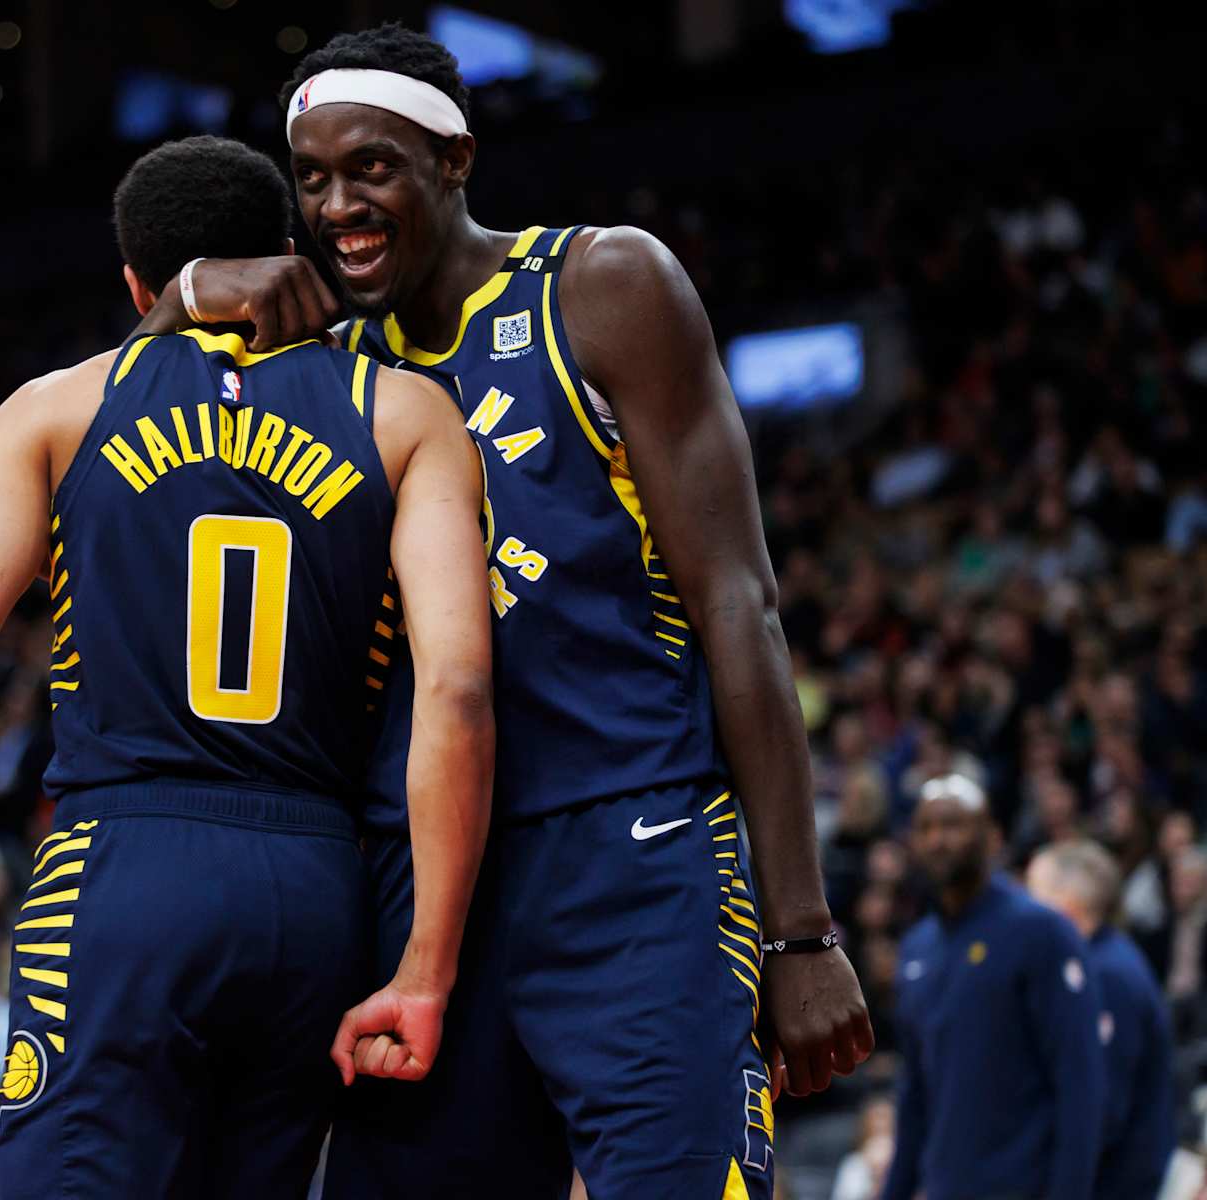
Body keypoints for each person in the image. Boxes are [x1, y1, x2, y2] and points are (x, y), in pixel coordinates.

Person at [134, 24, 871, 1198]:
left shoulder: (604, 284)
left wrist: (801, 928)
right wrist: (184, 293)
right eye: (311, 181)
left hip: (635, 844)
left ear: (454, 159)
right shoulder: (320, 356)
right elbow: (113, 434)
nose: (337, 205)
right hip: (425, 887)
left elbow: (740, 606)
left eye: (370, 166)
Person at [0, 135, 494, 1198]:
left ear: (139, 284)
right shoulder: (407, 412)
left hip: (124, 869)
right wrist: (427, 961)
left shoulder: (55, 410)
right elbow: (458, 692)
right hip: (319, 888)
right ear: (284, 252)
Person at [883, 775, 1106, 1200]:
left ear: (991, 836)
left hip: (1026, 1185)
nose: (938, 840)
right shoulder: (916, 948)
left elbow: (1081, 1084)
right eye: (926, 828)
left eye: (953, 825)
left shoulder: (1042, 932)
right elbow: (914, 1094)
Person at [1027, 840, 1175, 1200]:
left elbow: (1102, 1108)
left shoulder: (1107, 974)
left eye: (1034, 893)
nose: (1023, 909)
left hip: (1113, 1183)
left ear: (1068, 904)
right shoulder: (1096, 962)